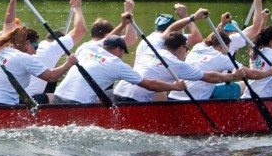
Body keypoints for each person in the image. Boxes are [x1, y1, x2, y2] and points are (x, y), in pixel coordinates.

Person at [113, 32, 242, 103]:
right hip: (133, 100)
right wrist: (233, 76)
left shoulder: (152, 50)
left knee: (161, 94)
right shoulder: (177, 64)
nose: (187, 51)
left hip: (117, 93)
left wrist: (191, 18)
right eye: (186, 48)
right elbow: (208, 77)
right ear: (181, 48)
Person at [54, 35, 185, 104]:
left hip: (57, 98)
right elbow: (150, 85)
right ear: (117, 50)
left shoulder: (87, 49)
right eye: (123, 53)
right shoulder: (117, 64)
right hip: (78, 106)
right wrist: (175, 87)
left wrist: (123, 23)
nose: (122, 56)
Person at [0, 25, 77, 105]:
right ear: (27, 43)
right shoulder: (23, 58)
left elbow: (8, 23)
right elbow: (51, 77)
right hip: (0, 103)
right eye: (36, 46)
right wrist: (68, 64)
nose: (36, 52)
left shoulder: (2, 50)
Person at [27, 0, 87, 103]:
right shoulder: (50, 48)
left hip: (10, 99)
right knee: (63, 97)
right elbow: (80, 30)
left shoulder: (13, 50)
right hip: (30, 101)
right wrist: (76, 7)